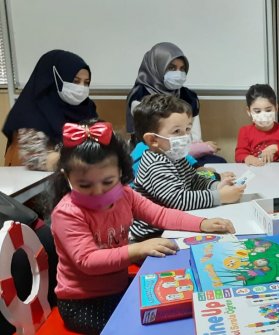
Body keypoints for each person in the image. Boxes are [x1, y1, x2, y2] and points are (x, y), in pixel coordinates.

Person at [49, 120, 235, 334]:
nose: (98, 192)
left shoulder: (125, 195)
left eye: (107, 182)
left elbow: (160, 214)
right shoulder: (67, 213)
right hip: (83, 303)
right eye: (84, 185)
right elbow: (87, 260)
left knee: (184, 305)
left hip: (117, 287)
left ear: (120, 171)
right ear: (67, 177)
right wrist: (138, 248)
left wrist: (202, 223)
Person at [130, 94, 244, 242]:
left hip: (174, 225)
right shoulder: (155, 164)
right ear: (153, 140)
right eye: (177, 132)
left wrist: (216, 186)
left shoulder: (174, 156)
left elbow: (194, 180)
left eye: (187, 129)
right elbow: (178, 200)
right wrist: (220, 196)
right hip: (152, 235)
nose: (185, 137)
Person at [126, 42, 226, 165]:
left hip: (184, 152)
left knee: (218, 163)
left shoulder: (188, 96)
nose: (178, 73)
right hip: (155, 153)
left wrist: (199, 147)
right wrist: (195, 150)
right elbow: (152, 142)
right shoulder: (141, 97)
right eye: (172, 68)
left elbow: (194, 136)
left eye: (182, 69)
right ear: (156, 67)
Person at [2, 50, 97, 170]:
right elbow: (36, 158)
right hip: (33, 183)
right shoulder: (31, 113)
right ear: (54, 79)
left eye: (86, 83)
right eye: (75, 81)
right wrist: (84, 159)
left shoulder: (86, 109)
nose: (81, 88)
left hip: (75, 180)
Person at [235, 84, 279, 166]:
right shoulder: (245, 131)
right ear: (249, 111)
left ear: (276, 108)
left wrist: (275, 148)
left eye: (268, 110)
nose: (263, 115)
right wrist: (248, 158)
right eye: (257, 111)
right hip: (256, 172)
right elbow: (239, 155)